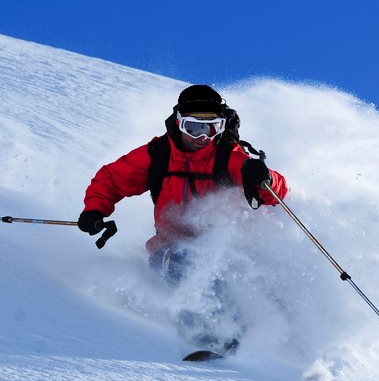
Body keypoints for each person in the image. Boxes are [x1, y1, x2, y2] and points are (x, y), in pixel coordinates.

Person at [78, 84, 288, 281]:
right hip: (169, 250)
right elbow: (112, 179)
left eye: (212, 128)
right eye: (194, 128)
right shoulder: (159, 154)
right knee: (183, 265)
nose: (204, 137)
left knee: (227, 273)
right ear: (179, 123)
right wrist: (94, 211)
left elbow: (276, 192)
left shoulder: (228, 158)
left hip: (226, 250)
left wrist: (263, 177)